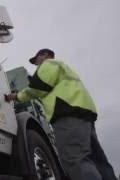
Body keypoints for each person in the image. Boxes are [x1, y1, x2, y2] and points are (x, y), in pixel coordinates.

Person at [6, 49, 117, 180]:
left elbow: (37, 87)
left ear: (45, 55)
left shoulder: (49, 64)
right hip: (84, 114)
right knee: (98, 162)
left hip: (66, 113)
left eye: (36, 60)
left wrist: (16, 96)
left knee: (74, 158)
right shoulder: (65, 68)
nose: (36, 64)